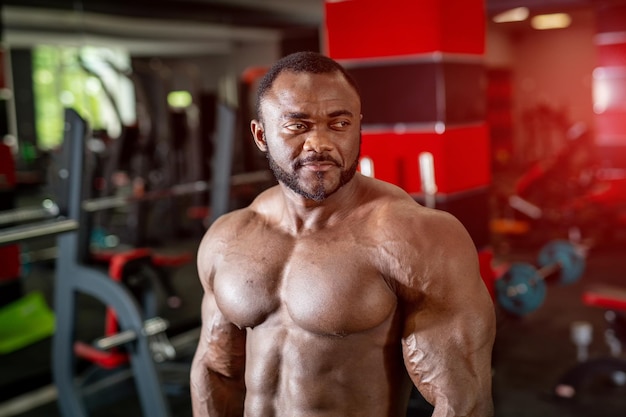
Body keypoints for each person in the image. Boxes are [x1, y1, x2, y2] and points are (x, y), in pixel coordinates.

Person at [191, 51, 496, 417]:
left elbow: (463, 402)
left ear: (357, 127)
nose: (319, 143)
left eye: (339, 124)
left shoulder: (418, 237)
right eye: (297, 126)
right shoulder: (229, 237)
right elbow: (215, 369)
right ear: (261, 134)